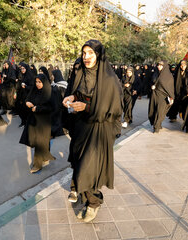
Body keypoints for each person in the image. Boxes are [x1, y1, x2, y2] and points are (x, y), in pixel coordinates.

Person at [62, 40, 123, 222]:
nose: (86, 57)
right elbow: (77, 92)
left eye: (90, 53)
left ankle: (93, 202)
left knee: (91, 167)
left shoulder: (109, 79)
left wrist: (87, 107)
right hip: (81, 126)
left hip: (98, 129)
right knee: (79, 162)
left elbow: (113, 109)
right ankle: (81, 192)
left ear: (99, 55)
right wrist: (71, 97)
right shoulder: (81, 72)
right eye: (84, 53)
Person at [19, 74, 55, 173]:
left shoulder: (49, 92)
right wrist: (27, 103)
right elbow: (28, 98)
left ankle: (37, 164)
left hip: (44, 121)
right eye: (36, 82)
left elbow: (52, 107)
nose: (38, 84)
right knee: (39, 141)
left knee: (40, 142)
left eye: (40, 82)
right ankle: (45, 156)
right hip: (33, 120)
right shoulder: (34, 90)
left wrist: (38, 108)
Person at [148, 61, 175, 133]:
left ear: (165, 67)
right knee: (153, 110)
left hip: (163, 97)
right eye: (158, 65)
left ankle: (156, 127)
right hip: (154, 95)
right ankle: (157, 124)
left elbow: (170, 88)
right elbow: (151, 81)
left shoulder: (169, 76)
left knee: (159, 112)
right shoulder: (156, 74)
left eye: (161, 65)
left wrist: (171, 97)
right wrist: (152, 86)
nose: (159, 67)